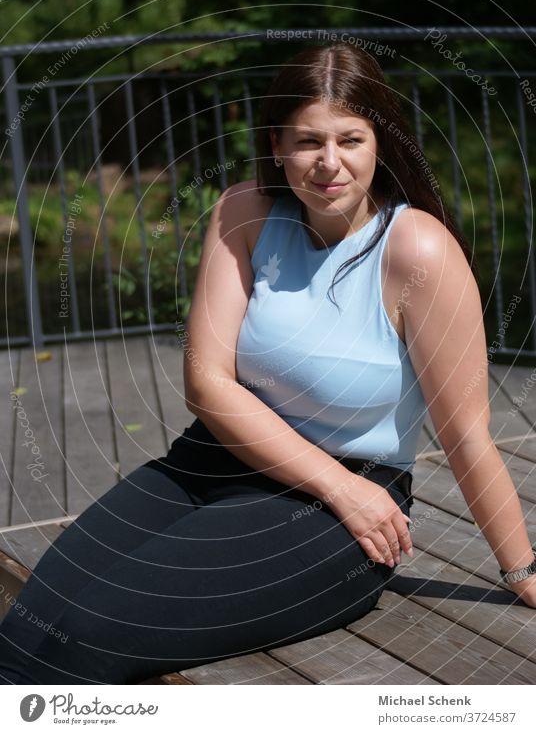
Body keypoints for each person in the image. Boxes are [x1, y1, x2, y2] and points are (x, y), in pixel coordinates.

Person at [1, 43, 535, 686]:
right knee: (30, 627)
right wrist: (336, 483)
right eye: (308, 140)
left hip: (347, 515)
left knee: (83, 637)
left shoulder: (417, 250)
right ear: (277, 143)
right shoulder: (244, 213)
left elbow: (467, 434)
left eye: (350, 139)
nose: (329, 163)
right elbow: (207, 381)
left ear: (380, 145)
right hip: (213, 462)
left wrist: (523, 571)